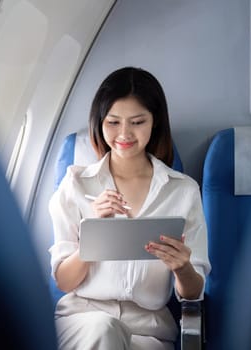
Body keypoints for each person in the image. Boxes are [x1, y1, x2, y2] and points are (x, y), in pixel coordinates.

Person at [48, 66, 211, 350]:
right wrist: (94, 234)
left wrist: (183, 268)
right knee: (102, 329)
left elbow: (193, 294)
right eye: (113, 122)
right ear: (99, 122)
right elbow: (64, 281)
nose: (124, 134)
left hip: (148, 332)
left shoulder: (183, 191)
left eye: (137, 122)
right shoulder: (75, 185)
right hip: (83, 322)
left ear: (155, 122)